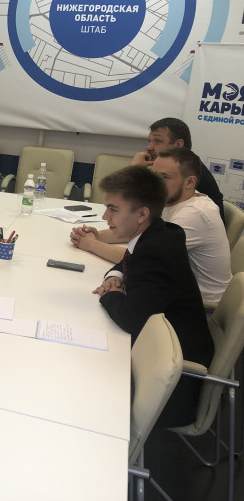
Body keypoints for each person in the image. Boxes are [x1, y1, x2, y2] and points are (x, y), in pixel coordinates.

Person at [91, 166, 213, 427]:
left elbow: (131, 319)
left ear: (141, 214)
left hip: (170, 382)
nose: (105, 217)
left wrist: (109, 296)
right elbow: (128, 259)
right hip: (164, 351)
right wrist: (117, 276)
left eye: (113, 209)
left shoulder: (155, 251)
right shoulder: (159, 232)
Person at [72, 148, 231, 304]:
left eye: (164, 177)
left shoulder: (194, 214)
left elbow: (140, 257)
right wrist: (97, 236)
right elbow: (138, 231)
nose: (156, 184)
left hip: (202, 306)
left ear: (189, 182)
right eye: (154, 176)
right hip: (168, 289)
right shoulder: (173, 199)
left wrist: (91, 244)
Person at [131, 117, 225, 224]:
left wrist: (134, 170)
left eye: (157, 141)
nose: (149, 148)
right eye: (150, 141)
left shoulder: (187, 172)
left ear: (178, 145)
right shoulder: (185, 167)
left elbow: (132, 200)